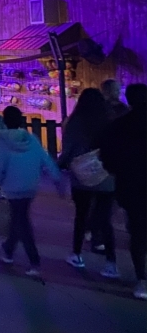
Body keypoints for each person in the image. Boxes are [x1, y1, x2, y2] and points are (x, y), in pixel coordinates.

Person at [0, 105, 64, 279]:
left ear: (4, 121)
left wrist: (0, 182)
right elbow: (45, 159)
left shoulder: (0, 142)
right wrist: (57, 179)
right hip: (30, 184)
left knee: (21, 221)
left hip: (12, 185)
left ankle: (34, 260)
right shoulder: (32, 139)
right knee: (19, 217)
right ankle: (8, 250)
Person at [58, 88, 119, 278]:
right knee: (105, 220)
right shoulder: (110, 121)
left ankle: (77, 254)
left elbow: (68, 150)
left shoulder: (75, 123)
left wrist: (60, 165)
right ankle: (111, 263)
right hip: (106, 176)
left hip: (81, 177)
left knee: (81, 216)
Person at [99, 83, 146, 300]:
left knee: (137, 231)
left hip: (132, 184)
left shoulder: (119, 126)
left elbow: (107, 157)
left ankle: (142, 279)